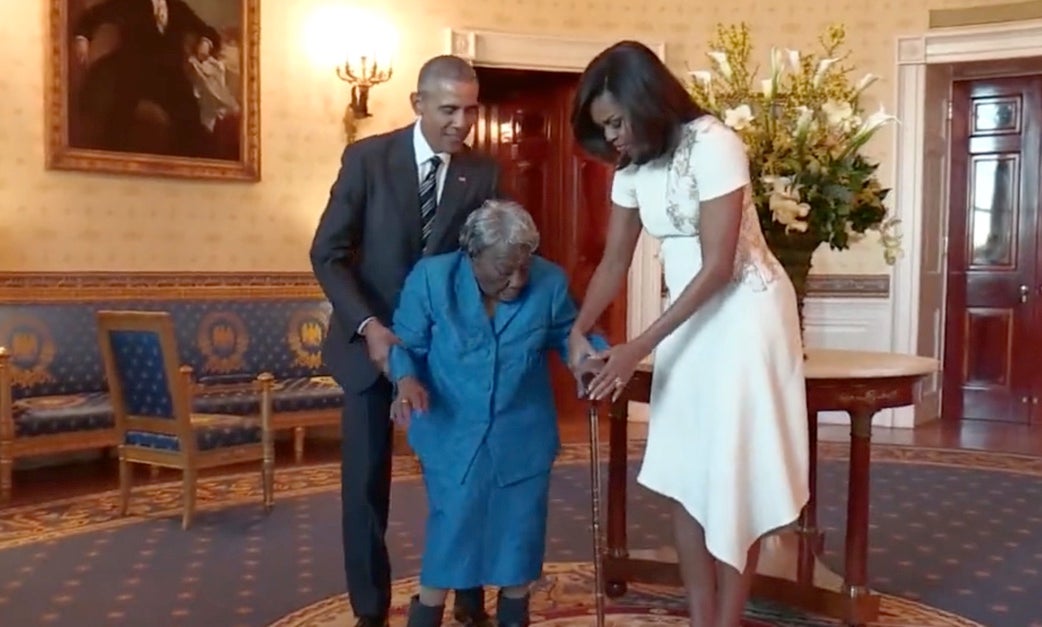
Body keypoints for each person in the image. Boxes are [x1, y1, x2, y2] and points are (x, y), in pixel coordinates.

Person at [567, 41, 810, 627]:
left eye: (617, 123)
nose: (614, 139)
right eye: (604, 129)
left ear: (645, 101)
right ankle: (701, 618)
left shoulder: (715, 143)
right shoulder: (631, 168)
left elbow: (720, 266)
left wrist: (636, 348)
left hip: (744, 317)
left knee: (730, 469)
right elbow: (613, 262)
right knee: (682, 469)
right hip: (686, 318)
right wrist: (580, 330)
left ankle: (725, 620)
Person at [310, 55, 504, 627]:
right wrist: (371, 327)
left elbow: (488, 260)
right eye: (449, 109)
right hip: (369, 348)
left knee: (462, 480)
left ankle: (469, 600)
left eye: (470, 110)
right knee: (366, 492)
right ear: (418, 104)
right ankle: (370, 612)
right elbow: (327, 253)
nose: (461, 123)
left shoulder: (483, 174)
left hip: (446, 355)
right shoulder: (367, 159)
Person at [387, 200, 607, 627]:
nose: (518, 279)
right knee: (454, 527)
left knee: (518, 537)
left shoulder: (549, 282)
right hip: (452, 431)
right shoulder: (432, 280)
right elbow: (405, 344)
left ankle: (512, 616)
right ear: (472, 254)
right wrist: (406, 380)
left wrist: (590, 360)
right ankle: (427, 615)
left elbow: (572, 334)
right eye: (505, 268)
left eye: (525, 265)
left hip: (521, 432)